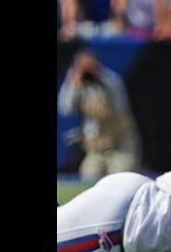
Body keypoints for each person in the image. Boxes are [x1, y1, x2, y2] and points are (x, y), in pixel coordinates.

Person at [58, 49, 141, 182]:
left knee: (120, 181)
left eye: (89, 65)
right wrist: (72, 84)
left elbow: (119, 106)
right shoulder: (78, 83)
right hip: (95, 147)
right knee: (88, 180)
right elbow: (65, 109)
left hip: (120, 144)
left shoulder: (111, 80)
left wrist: (98, 77)